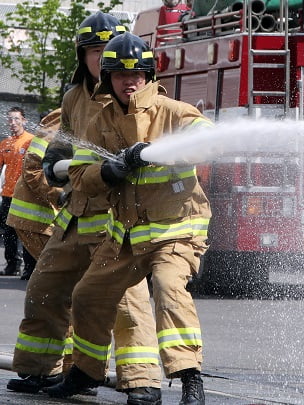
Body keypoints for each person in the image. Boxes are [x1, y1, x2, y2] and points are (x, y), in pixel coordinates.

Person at [46, 32, 213, 405]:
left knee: (170, 290)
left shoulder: (173, 112)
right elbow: (77, 175)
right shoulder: (100, 121)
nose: (130, 80)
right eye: (121, 75)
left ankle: (190, 378)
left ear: (150, 74)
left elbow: (208, 138)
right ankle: (85, 372)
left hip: (175, 233)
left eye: (138, 72)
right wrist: (109, 171)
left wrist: (154, 152)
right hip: (125, 235)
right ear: (107, 79)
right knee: (87, 296)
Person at [8, 13, 163, 405]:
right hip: (76, 214)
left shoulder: (136, 95)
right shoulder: (74, 98)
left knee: (126, 302)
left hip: (118, 217)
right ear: (84, 55)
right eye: (96, 50)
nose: (104, 56)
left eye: (109, 48)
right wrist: (53, 165)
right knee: (45, 289)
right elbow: (63, 151)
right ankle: (44, 370)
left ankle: (141, 382)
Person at [6, 109, 65, 280]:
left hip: (58, 218)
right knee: (60, 278)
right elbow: (33, 169)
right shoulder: (65, 116)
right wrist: (60, 196)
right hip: (39, 217)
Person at [0, 107, 35, 276]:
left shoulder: (31, 141)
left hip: (25, 196)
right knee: (8, 233)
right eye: (10, 120)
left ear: (24, 120)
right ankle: (12, 265)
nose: (13, 123)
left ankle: (29, 268)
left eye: (16, 119)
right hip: (7, 195)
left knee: (26, 232)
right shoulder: (5, 143)